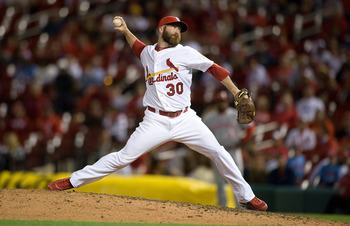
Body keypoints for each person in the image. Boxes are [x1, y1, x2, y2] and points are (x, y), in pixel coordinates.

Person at [48, 16, 268, 211]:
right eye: (173, 28)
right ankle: (72, 181)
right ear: (161, 30)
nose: (178, 32)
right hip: (155, 120)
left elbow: (214, 69)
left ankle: (247, 197)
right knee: (123, 157)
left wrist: (237, 92)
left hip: (185, 118)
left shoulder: (186, 52)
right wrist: (125, 31)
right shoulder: (147, 53)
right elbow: (138, 47)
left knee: (219, 152)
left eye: (180, 29)